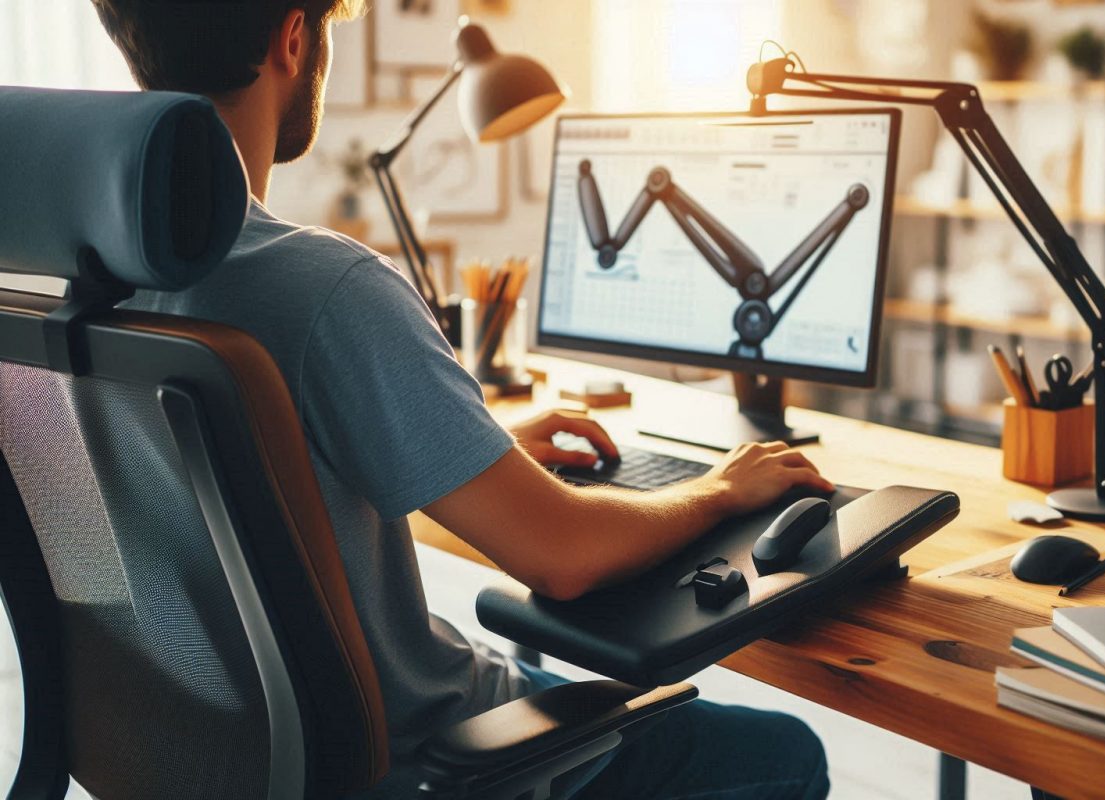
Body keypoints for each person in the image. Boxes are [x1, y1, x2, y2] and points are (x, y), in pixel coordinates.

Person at [90, 1, 832, 797]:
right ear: (294, 37)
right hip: (411, 761)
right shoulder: (327, 289)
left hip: (203, 750)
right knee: (784, 753)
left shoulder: (80, 277)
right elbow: (564, 558)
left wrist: (466, 446)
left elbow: (244, 495)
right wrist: (719, 490)